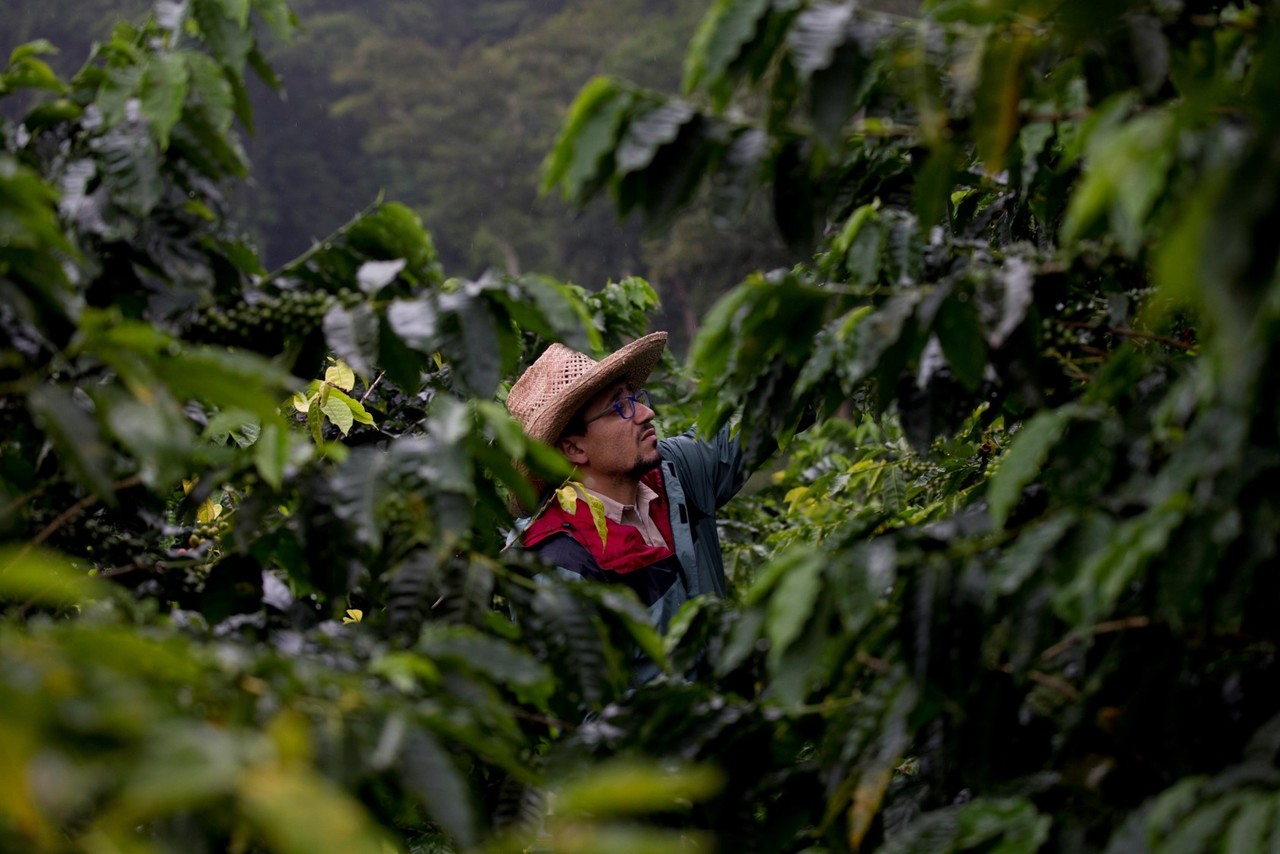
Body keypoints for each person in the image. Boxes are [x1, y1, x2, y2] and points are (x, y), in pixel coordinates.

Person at [505, 332, 751, 647]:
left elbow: (751, 420)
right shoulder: (560, 566)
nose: (646, 414)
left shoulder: (673, 473)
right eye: (619, 407)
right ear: (574, 449)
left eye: (634, 399)